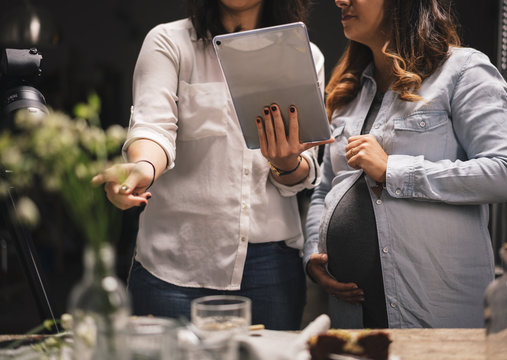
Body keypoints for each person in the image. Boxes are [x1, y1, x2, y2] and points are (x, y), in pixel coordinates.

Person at [92, 0, 331, 330]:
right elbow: (154, 128)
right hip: (173, 263)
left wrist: (284, 162)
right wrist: (142, 167)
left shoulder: (304, 54)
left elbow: (302, 171)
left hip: (271, 267)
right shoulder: (169, 41)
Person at [303, 0, 507, 329]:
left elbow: (506, 174)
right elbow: (325, 190)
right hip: (352, 319)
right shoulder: (347, 91)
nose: (340, 0)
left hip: (434, 316)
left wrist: (393, 169)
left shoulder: (463, 71)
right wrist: (313, 254)